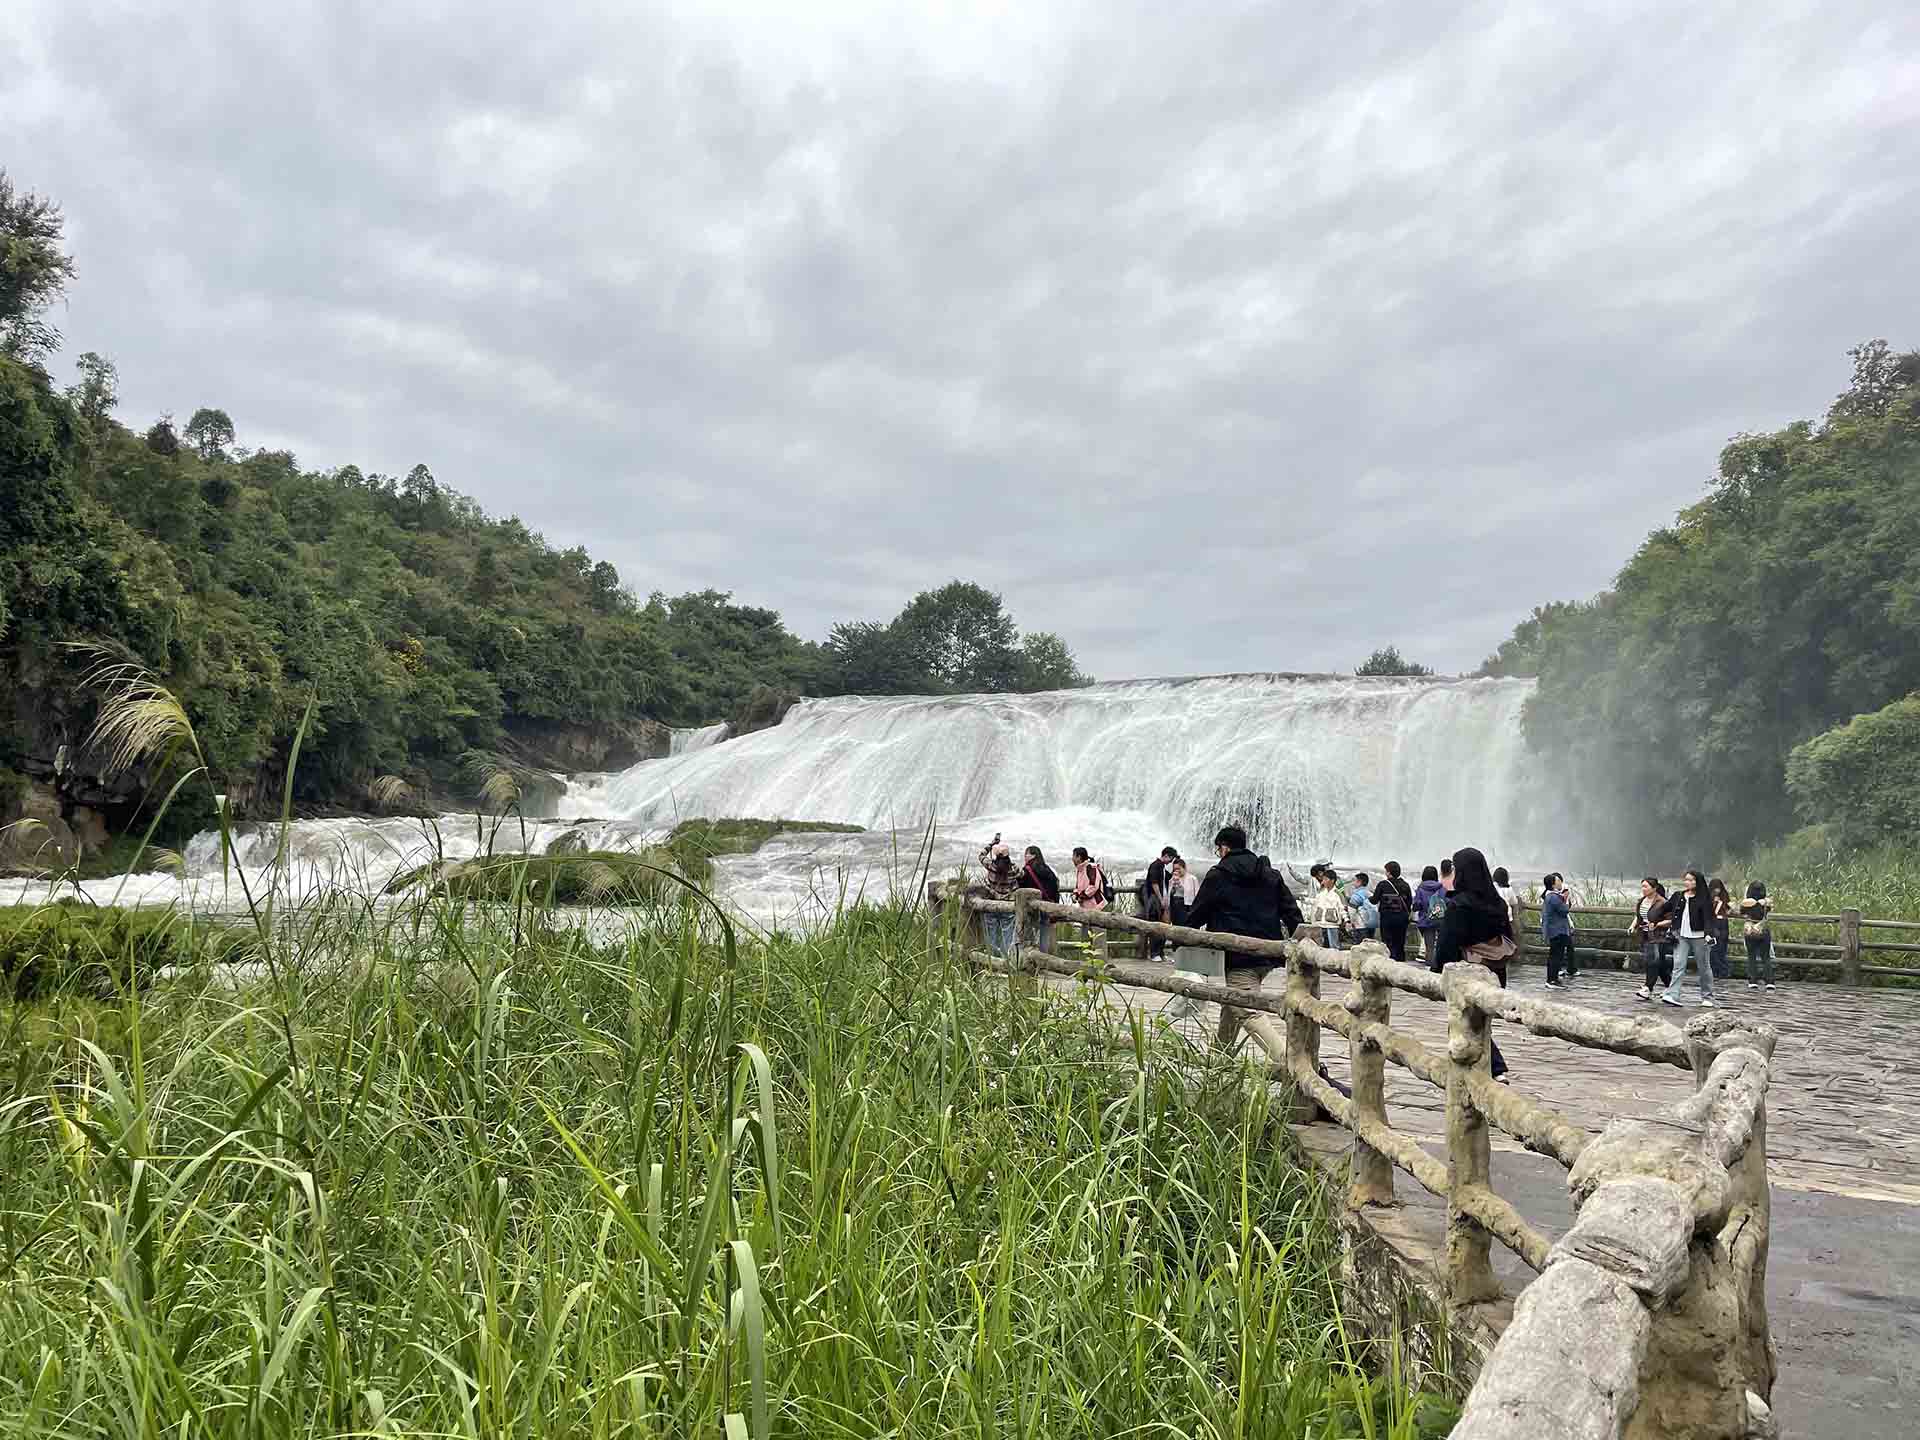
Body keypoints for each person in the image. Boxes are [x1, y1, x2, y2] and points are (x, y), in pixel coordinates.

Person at [1182, 823, 1304, 1051]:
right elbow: (1292, 912)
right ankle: (1219, 1058)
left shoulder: (1218, 875)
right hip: (1268, 952)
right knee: (1233, 1001)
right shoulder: (1271, 874)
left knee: (1246, 1009)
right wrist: (1302, 947)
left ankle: (1289, 1062)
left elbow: (1198, 912)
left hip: (1237, 955)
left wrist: (1180, 938)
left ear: (1224, 848)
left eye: (1218, 850)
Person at [1430, 846, 1512, 1080]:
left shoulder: (1459, 905)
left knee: (1463, 1021)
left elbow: (1447, 942)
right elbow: (1507, 936)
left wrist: (1438, 970)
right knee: (1479, 1019)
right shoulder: (1498, 903)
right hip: (1495, 969)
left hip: (1465, 971)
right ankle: (1492, 1069)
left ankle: (1493, 1069)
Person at [1658, 869, 1716, 1008]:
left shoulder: (1704, 898)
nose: (1688, 882)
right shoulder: (1678, 896)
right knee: (1678, 965)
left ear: (1698, 881)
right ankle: (1673, 995)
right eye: (1686, 879)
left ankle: (1707, 997)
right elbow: (1664, 908)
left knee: (1704, 967)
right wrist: (1653, 916)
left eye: (1691, 880)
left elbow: (1708, 919)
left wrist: (1708, 934)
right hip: (1680, 935)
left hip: (1700, 936)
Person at [1631, 877, 1673, 999]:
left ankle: (1647, 988)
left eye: (1646, 887)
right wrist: (1633, 926)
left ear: (1654, 888)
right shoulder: (1641, 901)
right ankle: (1670, 987)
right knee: (1659, 963)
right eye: (1642, 887)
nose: (1643, 889)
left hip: (1658, 936)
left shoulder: (1663, 902)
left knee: (1652, 961)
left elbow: (1670, 920)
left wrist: (1657, 924)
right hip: (1644, 935)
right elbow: (1639, 917)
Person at [976, 839, 1019, 956]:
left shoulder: (991, 866)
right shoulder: (1014, 869)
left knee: (991, 935)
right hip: (1008, 906)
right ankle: (1006, 961)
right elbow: (1021, 875)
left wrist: (992, 843)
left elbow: (981, 855)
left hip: (991, 904)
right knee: (1008, 935)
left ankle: (992, 959)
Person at [1021, 845, 1060, 954]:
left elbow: (1021, 887)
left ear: (1033, 855)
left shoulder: (1027, 869)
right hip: (1047, 904)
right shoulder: (1047, 868)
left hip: (1032, 905)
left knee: (1030, 930)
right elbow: (1055, 886)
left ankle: (1031, 954)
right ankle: (1044, 954)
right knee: (1044, 930)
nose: (1025, 856)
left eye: (1027, 854)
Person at [1142, 845, 1179, 958]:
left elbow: (1168, 879)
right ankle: (1154, 953)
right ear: (1166, 856)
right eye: (1171, 859)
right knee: (1155, 925)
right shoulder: (1155, 866)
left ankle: (1160, 952)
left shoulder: (1162, 867)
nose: (1171, 862)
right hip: (1154, 900)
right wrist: (1161, 898)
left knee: (1162, 925)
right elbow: (1154, 884)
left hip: (1160, 900)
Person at [1071, 846, 1109, 956]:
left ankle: (1101, 964)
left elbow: (1093, 886)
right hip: (1085, 908)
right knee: (1086, 937)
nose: (1072, 859)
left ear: (1079, 857)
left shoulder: (1091, 867)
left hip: (1096, 906)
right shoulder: (1079, 870)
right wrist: (1075, 894)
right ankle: (1087, 964)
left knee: (1098, 937)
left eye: (1073, 856)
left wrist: (1080, 896)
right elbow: (1078, 886)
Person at [1373, 861, 1413, 961]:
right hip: (1402, 918)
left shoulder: (1383, 885)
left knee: (1387, 942)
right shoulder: (1405, 885)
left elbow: (1374, 900)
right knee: (1400, 942)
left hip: (1387, 918)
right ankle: (1400, 963)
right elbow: (1409, 902)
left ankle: (1389, 962)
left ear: (1389, 872)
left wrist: (1367, 899)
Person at [1540, 872, 1575, 989]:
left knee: (1556, 955)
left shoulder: (1551, 896)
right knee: (1556, 956)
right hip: (1557, 931)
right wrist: (1566, 899)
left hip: (1555, 930)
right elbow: (1564, 910)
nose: (1561, 883)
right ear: (1553, 885)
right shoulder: (1553, 897)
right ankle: (1551, 980)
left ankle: (1553, 978)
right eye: (1558, 881)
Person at [1307, 866, 1353, 950]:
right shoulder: (1321, 892)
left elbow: (1342, 908)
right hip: (1321, 923)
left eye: (1325, 879)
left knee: (1334, 946)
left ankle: (1335, 961)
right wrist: (1305, 900)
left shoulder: (1337, 894)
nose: (1323, 881)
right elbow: (1315, 903)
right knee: (1322, 946)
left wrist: (1346, 920)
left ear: (1332, 881)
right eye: (1323, 879)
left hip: (1332, 924)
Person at [1741, 881, 1776, 991]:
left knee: (1751, 956)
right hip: (1763, 929)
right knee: (1766, 957)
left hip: (1750, 930)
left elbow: (1741, 911)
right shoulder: (1766, 903)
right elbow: (1769, 909)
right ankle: (1769, 981)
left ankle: (1752, 981)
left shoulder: (1746, 903)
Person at [1412, 864, 1447, 962]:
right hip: (1440, 919)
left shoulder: (1421, 888)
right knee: (1440, 945)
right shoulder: (1441, 888)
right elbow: (1446, 902)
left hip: (1426, 920)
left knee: (1429, 947)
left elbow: (1417, 905)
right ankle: (1439, 966)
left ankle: (1429, 966)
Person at [1708, 878, 1733, 980]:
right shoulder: (1708, 897)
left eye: (1718, 888)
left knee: (1722, 948)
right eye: (1715, 888)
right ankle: (1717, 970)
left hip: (1723, 923)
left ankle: (1723, 971)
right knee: (1713, 948)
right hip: (1712, 924)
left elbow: (1728, 910)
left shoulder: (1725, 897)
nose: (1717, 891)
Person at [1347, 871, 1378, 944]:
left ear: (1359, 882)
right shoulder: (1370, 894)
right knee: (1369, 948)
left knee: (1359, 949)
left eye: (1354, 880)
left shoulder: (1356, 896)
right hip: (1371, 925)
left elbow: (1352, 912)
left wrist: (1351, 923)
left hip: (1360, 926)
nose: (1353, 882)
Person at [1168, 857, 1198, 925]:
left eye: (1178, 868)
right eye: (1175, 869)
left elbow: (1197, 894)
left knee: (1185, 924)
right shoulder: (1172, 879)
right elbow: (1170, 894)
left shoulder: (1192, 878)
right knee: (1175, 924)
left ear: (1184, 868)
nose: (1177, 871)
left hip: (1187, 905)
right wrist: (1173, 886)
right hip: (1175, 904)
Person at [1492, 866, 1519, 932]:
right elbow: (1514, 902)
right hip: (1507, 919)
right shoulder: (1509, 889)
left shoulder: (1491, 887)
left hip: (1493, 918)